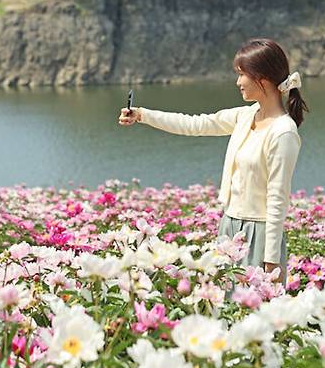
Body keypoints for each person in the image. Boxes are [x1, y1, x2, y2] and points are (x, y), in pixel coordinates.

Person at [117, 38, 308, 285]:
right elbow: (195, 124)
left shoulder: (283, 132)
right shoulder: (246, 115)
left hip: (258, 235)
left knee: (251, 313)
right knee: (225, 309)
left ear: (263, 78)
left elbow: (277, 199)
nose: (238, 82)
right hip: (229, 227)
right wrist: (142, 115)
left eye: (242, 75)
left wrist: (271, 261)